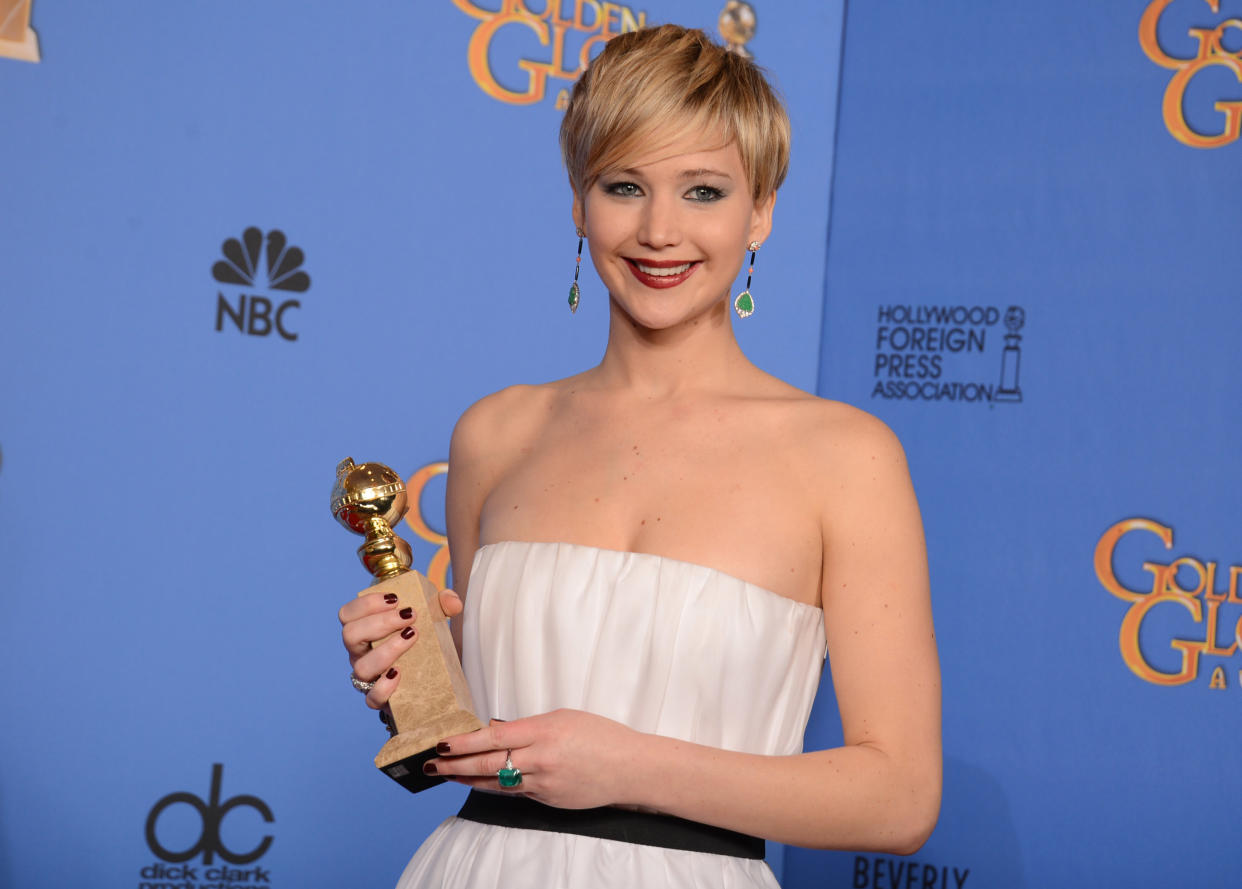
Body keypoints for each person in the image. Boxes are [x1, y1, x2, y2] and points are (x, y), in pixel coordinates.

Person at [338, 23, 941, 889]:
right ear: (579, 203)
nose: (661, 230)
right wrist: (408, 675)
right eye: (625, 185)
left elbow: (901, 797)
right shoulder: (497, 432)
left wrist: (630, 767)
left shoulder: (845, 457)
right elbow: (476, 748)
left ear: (761, 211)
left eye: (703, 191)